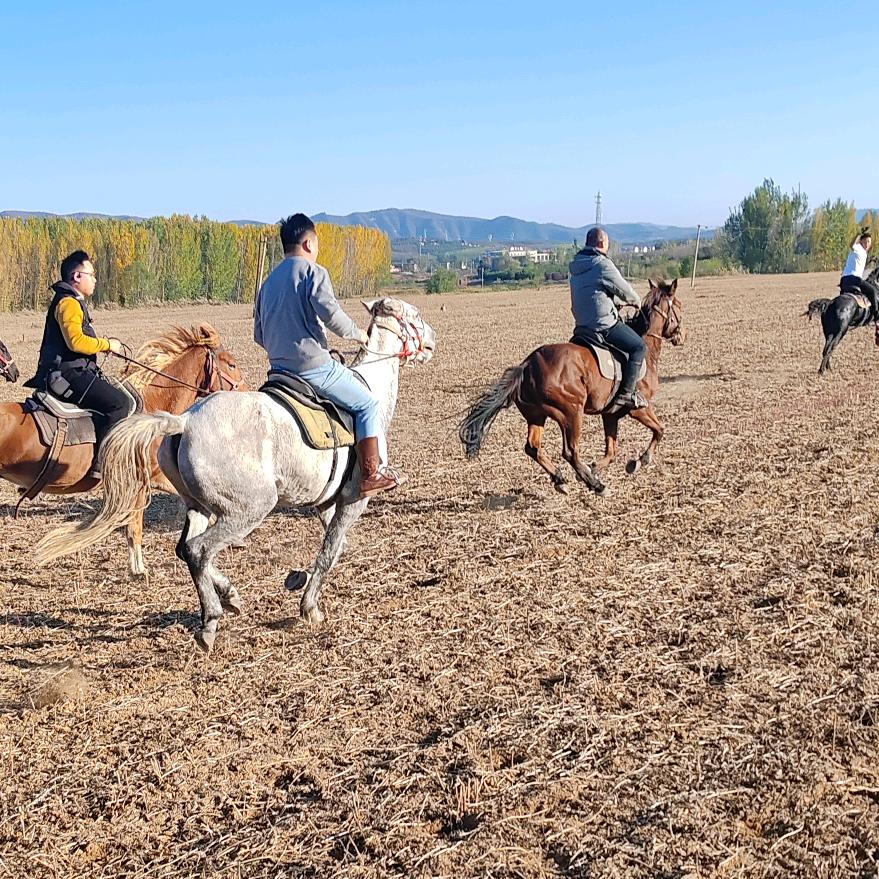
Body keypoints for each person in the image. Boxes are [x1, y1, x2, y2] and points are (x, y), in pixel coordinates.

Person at [253, 213, 404, 498]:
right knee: (368, 404)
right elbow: (331, 315)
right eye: (318, 244)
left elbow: (258, 335)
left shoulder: (268, 283)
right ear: (308, 244)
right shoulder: (313, 272)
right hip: (313, 368)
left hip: (278, 372)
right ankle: (372, 474)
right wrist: (359, 334)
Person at [25, 250, 127, 478]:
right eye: (92, 274)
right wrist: (107, 344)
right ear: (77, 277)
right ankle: (103, 464)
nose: (95, 280)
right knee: (119, 404)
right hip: (67, 375)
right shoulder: (69, 303)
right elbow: (76, 342)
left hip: (71, 372)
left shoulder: (71, 301)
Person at [570, 227, 646, 413]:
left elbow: (594, 293)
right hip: (604, 326)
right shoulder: (602, 264)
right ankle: (627, 394)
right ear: (602, 243)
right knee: (639, 347)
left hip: (582, 327)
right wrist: (636, 302)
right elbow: (625, 290)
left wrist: (614, 304)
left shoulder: (576, 265)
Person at [839, 229, 877, 321]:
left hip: (844, 280)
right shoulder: (858, 248)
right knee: (872, 291)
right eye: (866, 241)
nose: (868, 244)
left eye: (869, 242)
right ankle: (876, 316)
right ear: (861, 241)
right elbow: (851, 245)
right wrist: (858, 234)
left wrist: (872, 260)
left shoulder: (864, 253)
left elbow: (860, 267)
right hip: (854, 279)